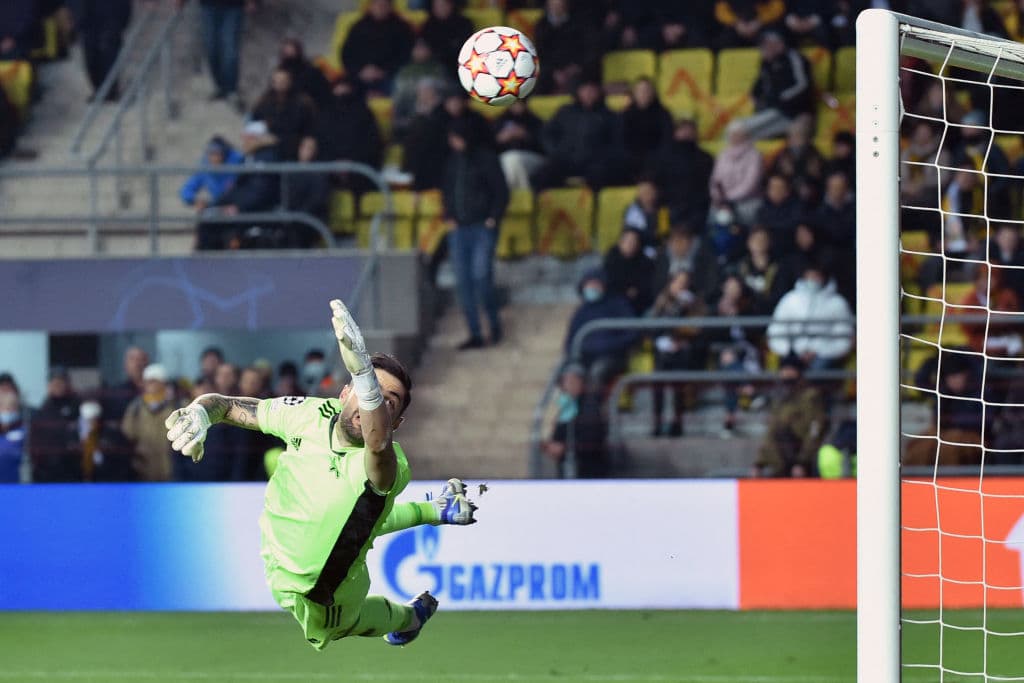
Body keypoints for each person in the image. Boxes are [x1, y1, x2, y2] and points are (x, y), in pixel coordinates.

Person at [164, 299, 478, 649]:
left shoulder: (391, 464)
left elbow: (377, 444)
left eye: (388, 402)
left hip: (326, 592)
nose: (373, 403)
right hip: (276, 560)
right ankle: (436, 510)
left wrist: (365, 376)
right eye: (366, 391)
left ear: (397, 423)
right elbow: (226, 405)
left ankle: (411, 618)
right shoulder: (307, 414)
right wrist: (201, 413)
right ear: (344, 393)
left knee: (349, 621)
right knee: (357, 519)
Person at [441, 118, 510, 349]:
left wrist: (493, 217)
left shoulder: (486, 159)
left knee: (481, 278)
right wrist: (449, 215)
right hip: (459, 229)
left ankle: (494, 326)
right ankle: (475, 333)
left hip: (482, 226)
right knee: (464, 283)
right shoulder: (452, 162)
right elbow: (448, 192)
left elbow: (501, 191)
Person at [532, 79, 625, 190]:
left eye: (592, 90)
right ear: (578, 92)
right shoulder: (565, 112)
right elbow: (547, 134)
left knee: (601, 175)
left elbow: (616, 143)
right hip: (566, 160)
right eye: (585, 90)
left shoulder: (609, 116)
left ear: (599, 92)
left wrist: (601, 157)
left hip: (594, 162)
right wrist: (556, 151)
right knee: (540, 177)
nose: (588, 94)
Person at [202, 120, 281, 250]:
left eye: (246, 138)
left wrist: (237, 207)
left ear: (254, 138)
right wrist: (217, 204)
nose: (243, 141)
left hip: (257, 210)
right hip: (245, 207)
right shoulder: (249, 157)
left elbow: (261, 192)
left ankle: (211, 257)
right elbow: (238, 187)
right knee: (209, 214)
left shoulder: (266, 158)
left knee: (214, 224)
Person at [648, 270, 708, 437]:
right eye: (677, 282)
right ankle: (657, 422)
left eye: (684, 282)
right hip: (662, 349)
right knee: (658, 380)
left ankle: (677, 423)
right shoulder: (662, 301)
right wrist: (662, 341)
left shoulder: (695, 302)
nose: (681, 286)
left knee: (678, 383)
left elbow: (696, 329)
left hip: (685, 349)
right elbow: (654, 326)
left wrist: (681, 338)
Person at [564, 269, 640, 395]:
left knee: (597, 371)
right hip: (584, 357)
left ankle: (593, 405)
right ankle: (572, 406)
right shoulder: (581, 311)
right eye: (589, 284)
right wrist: (573, 356)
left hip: (612, 357)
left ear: (603, 285)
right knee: (571, 373)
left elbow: (632, 333)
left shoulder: (618, 305)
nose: (592, 288)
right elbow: (570, 340)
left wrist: (608, 345)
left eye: (595, 284)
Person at [767, 262, 854, 371]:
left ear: (824, 278)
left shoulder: (838, 303)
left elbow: (844, 337)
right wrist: (790, 351)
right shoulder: (790, 299)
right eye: (809, 276)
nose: (812, 280)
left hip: (826, 355)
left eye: (816, 276)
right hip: (793, 354)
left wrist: (818, 351)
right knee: (789, 370)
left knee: (818, 369)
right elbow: (775, 331)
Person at [754, 353, 828, 477]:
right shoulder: (778, 397)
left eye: (790, 369)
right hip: (780, 460)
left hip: (802, 457)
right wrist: (759, 463)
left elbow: (815, 430)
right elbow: (772, 431)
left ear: (798, 371)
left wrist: (802, 461)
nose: (786, 373)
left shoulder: (810, 396)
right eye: (783, 370)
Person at [738, 30, 814, 140]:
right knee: (738, 132)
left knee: (739, 129)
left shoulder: (795, 58)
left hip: (794, 113)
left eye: (766, 45)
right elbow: (757, 88)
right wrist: (758, 99)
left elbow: (803, 86)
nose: (763, 49)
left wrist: (777, 100)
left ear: (779, 44)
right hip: (772, 112)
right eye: (763, 46)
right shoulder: (766, 63)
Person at [316, 77, 382, 195]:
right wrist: (333, 163)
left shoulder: (364, 113)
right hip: (328, 168)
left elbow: (372, 143)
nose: (341, 90)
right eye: (338, 87)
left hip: (360, 168)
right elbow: (319, 143)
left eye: (344, 87)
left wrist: (351, 162)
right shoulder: (324, 114)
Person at [541, 363, 608, 478]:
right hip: (570, 467)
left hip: (589, 470)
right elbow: (559, 433)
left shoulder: (591, 406)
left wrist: (565, 448)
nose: (569, 386)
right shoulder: (566, 405)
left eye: (573, 381)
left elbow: (592, 438)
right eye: (566, 382)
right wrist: (549, 445)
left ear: (583, 383)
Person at [648, 119, 714, 227]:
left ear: (696, 133)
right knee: (661, 231)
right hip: (666, 208)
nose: (687, 133)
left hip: (697, 210)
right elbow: (654, 183)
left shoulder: (706, 158)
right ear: (675, 133)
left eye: (690, 129)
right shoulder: (662, 157)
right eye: (683, 129)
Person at [341, 0, 414, 96]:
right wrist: (360, 71)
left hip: (390, 76)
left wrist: (383, 71)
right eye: (377, 4)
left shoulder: (402, 28)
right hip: (360, 75)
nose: (380, 8)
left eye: (384, 5)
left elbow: (406, 55)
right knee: (341, 90)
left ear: (391, 7)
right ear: (370, 6)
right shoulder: (358, 27)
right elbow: (346, 54)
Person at [121, 363, 179, 482]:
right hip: (142, 468)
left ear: (163, 383)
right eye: (148, 382)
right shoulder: (136, 406)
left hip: (169, 468)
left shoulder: (175, 406)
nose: (152, 385)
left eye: (155, 381)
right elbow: (128, 432)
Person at [194, 0, 253, 111]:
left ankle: (232, 90)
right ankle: (220, 87)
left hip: (233, 7)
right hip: (208, 6)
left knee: (230, 50)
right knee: (211, 48)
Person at [251, 67, 317, 162]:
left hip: (293, 148)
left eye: (283, 81)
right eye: (277, 81)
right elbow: (254, 126)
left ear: (290, 81)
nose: (280, 84)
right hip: (268, 148)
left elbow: (308, 131)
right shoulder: (264, 103)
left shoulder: (302, 104)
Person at [69, 0, 131, 101]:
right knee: (91, 57)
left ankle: (111, 90)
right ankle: (99, 89)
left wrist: (122, 20)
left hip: (110, 18)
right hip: (87, 19)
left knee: (109, 53)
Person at [29, 367, 81, 482]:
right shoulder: (42, 411)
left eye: (60, 381)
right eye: (54, 381)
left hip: (73, 471)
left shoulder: (77, 406)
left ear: (67, 383)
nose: (57, 385)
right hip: (46, 473)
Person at [533, 0, 594, 94]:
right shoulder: (541, 26)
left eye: (560, 4)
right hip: (549, 71)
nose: (557, 8)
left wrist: (574, 68)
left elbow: (587, 49)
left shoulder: (579, 23)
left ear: (566, 5)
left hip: (576, 69)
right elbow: (540, 53)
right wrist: (553, 72)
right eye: (554, 5)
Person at [709, 121, 764, 226]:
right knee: (714, 219)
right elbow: (715, 179)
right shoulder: (723, 154)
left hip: (746, 201)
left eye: (738, 134)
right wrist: (716, 195)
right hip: (722, 200)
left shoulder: (754, 155)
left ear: (745, 136)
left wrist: (729, 198)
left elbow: (751, 182)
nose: (734, 137)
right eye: (732, 134)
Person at [392, 38, 447, 138]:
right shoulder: (405, 71)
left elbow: (445, 90)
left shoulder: (438, 69)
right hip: (411, 112)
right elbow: (399, 97)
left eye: (423, 48)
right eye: (417, 48)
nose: (420, 52)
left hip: (435, 114)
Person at [652, 224, 721, 304]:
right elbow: (656, 286)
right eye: (675, 241)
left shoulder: (703, 259)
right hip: (666, 302)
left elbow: (710, 285)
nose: (678, 246)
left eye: (682, 241)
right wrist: (669, 291)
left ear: (690, 243)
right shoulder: (662, 260)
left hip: (695, 303)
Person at [621, 77, 674, 178]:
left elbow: (667, 142)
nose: (643, 94)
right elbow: (621, 141)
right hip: (630, 162)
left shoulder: (663, 115)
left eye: (647, 90)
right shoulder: (626, 115)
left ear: (653, 93)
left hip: (656, 163)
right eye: (640, 91)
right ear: (634, 93)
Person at [284, 136, 330, 248]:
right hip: (290, 215)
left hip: (310, 218)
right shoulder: (289, 170)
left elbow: (317, 200)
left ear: (316, 151)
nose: (305, 150)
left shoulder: (320, 173)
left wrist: (299, 214)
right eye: (303, 146)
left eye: (310, 148)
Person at [180, 136, 244, 212]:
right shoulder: (205, 166)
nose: (213, 158)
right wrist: (195, 200)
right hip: (218, 206)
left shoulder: (239, 162)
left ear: (224, 154)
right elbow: (186, 190)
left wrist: (238, 204)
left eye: (217, 154)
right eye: (211, 154)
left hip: (239, 206)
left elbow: (248, 190)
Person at [493, 100, 546, 191]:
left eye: (520, 103)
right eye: (514, 103)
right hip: (505, 158)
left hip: (533, 157)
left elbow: (545, 146)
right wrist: (502, 138)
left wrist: (526, 135)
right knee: (511, 160)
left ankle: (517, 193)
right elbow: (489, 145)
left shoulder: (534, 121)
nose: (517, 106)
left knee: (514, 159)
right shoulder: (500, 121)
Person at [603, 227, 657, 314]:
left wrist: (637, 291)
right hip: (612, 303)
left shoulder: (645, 263)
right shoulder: (611, 260)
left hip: (639, 306)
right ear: (620, 242)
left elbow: (648, 287)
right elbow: (607, 283)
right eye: (628, 241)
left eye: (634, 241)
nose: (631, 244)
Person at [278, 37, 331, 109]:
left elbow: (324, 91)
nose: (289, 54)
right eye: (286, 52)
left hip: (314, 106)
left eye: (292, 52)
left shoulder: (312, 69)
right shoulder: (280, 74)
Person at [419, 0, 474, 70]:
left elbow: (463, 49)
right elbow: (422, 43)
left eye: (443, 5)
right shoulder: (428, 25)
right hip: (432, 64)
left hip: (456, 66)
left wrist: (435, 52)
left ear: (451, 5)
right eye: (437, 6)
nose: (440, 9)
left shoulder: (464, 24)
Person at [756, 173, 804, 253]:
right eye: (772, 187)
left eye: (779, 188)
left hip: (793, 248)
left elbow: (795, 224)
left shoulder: (797, 206)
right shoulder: (762, 210)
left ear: (787, 191)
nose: (776, 191)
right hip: (771, 249)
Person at [714, 0, 786, 48]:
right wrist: (736, 23)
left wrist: (759, 21)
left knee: (773, 41)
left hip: (764, 25)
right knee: (723, 42)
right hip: (737, 27)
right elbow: (720, 11)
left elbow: (778, 7)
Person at [621, 178, 662, 248]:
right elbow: (630, 234)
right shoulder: (632, 210)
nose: (646, 195)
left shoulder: (662, 211)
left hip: (657, 248)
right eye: (643, 192)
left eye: (649, 192)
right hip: (637, 248)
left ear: (655, 192)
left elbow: (663, 234)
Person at [0, 389, 25, 483]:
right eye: (3, 406)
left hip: (15, 484)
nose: (8, 410)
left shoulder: (24, 431)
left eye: (12, 406)